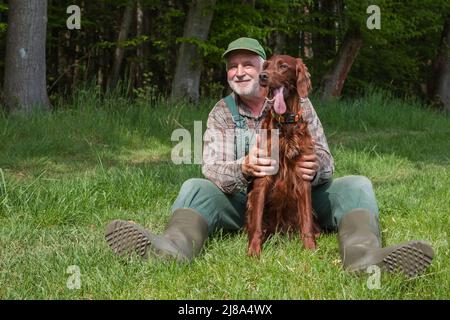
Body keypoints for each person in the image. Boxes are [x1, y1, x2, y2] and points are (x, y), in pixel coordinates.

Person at [105, 37, 434, 277]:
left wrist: (315, 165)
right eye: (232, 66)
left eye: (248, 64)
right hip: (245, 202)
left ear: (265, 69)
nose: (240, 72)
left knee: (357, 184)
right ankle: (172, 249)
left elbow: (326, 158)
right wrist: (244, 166)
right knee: (194, 185)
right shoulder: (222, 112)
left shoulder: (300, 104)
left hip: (300, 195)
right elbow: (213, 167)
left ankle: (364, 257)